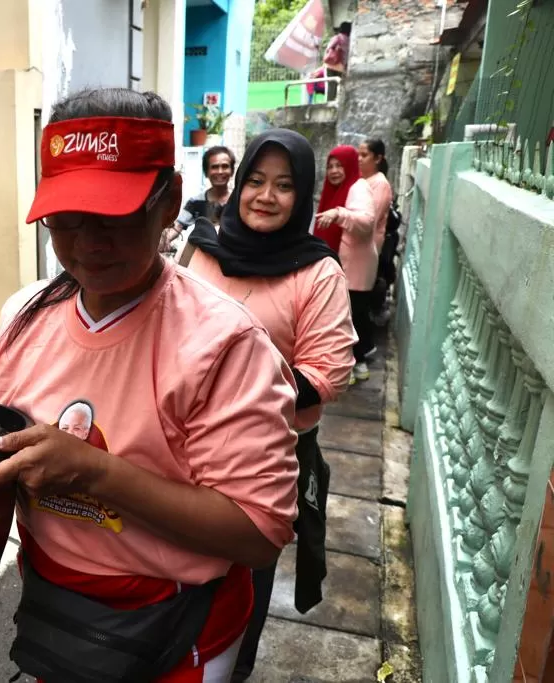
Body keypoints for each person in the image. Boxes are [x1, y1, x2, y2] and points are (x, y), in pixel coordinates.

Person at [0, 88, 300, 682]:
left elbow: (258, 535)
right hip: (56, 608)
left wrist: (96, 472)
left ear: (170, 199)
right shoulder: (26, 316)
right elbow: (3, 434)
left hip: (179, 627)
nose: (89, 243)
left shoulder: (224, 343)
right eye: (65, 220)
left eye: (116, 215)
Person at [182, 129, 357, 681]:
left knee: (244, 581)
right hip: (184, 444)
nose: (265, 195)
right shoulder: (203, 249)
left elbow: (326, 373)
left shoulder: (317, 271)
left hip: (267, 457)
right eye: (255, 181)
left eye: (284, 186)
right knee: (179, 570)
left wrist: (239, 392)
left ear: (301, 195)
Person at [314, 145, 377, 382]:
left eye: (339, 165)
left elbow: (367, 222)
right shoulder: (337, 189)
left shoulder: (358, 188)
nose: (334, 171)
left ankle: (352, 367)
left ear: (350, 165)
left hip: (355, 268)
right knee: (348, 317)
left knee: (350, 318)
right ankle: (355, 365)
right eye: (330, 166)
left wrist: (339, 214)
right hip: (343, 265)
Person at [159, 146, 236, 255]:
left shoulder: (240, 201)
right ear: (206, 171)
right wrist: (163, 240)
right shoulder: (196, 202)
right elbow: (178, 226)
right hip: (204, 259)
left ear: (232, 171)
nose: (220, 171)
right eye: (214, 167)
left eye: (225, 166)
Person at [358, 138, 396, 323]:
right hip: (358, 246)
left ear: (378, 158)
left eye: (364, 155)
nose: (359, 159)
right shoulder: (365, 181)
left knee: (359, 298)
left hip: (367, 247)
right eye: (359, 154)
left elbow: (370, 219)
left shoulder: (380, 184)